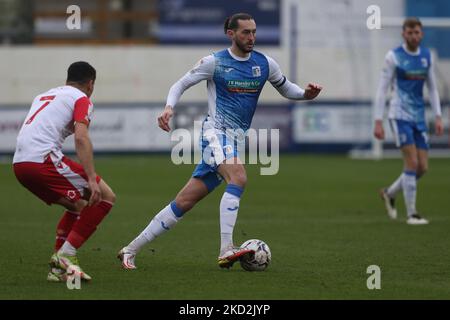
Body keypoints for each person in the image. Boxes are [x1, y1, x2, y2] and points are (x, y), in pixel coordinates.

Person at [118, 12, 322, 269]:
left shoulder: (265, 63)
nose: (251, 37)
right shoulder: (214, 62)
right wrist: (169, 107)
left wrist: (306, 94)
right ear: (231, 34)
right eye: (246, 32)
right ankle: (226, 248)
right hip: (215, 133)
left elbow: (286, 88)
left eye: (254, 32)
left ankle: (130, 249)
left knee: (184, 201)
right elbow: (180, 84)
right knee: (238, 176)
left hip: (234, 140)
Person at [13, 61, 116, 281]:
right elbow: (81, 137)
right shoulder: (81, 99)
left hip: (20, 163)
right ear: (90, 83)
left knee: (78, 205)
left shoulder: (43, 96)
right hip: (42, 160)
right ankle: (66, 255)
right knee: (106, 196)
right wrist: (91, 178)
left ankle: (57, 270)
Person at [374, 17, 443, 225]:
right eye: (410, 32)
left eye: (417, 33)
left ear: (421, 34)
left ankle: (389, 193)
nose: (414, 36)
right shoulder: (393, 56)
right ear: (404, 34)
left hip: (419, 117)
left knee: (422, 167)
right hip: (399, 114)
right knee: (411, 163)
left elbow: (432, 88)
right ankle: (412, 214)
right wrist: (378, 120)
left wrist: (438, 115)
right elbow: (382, 89)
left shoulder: (426, 56)